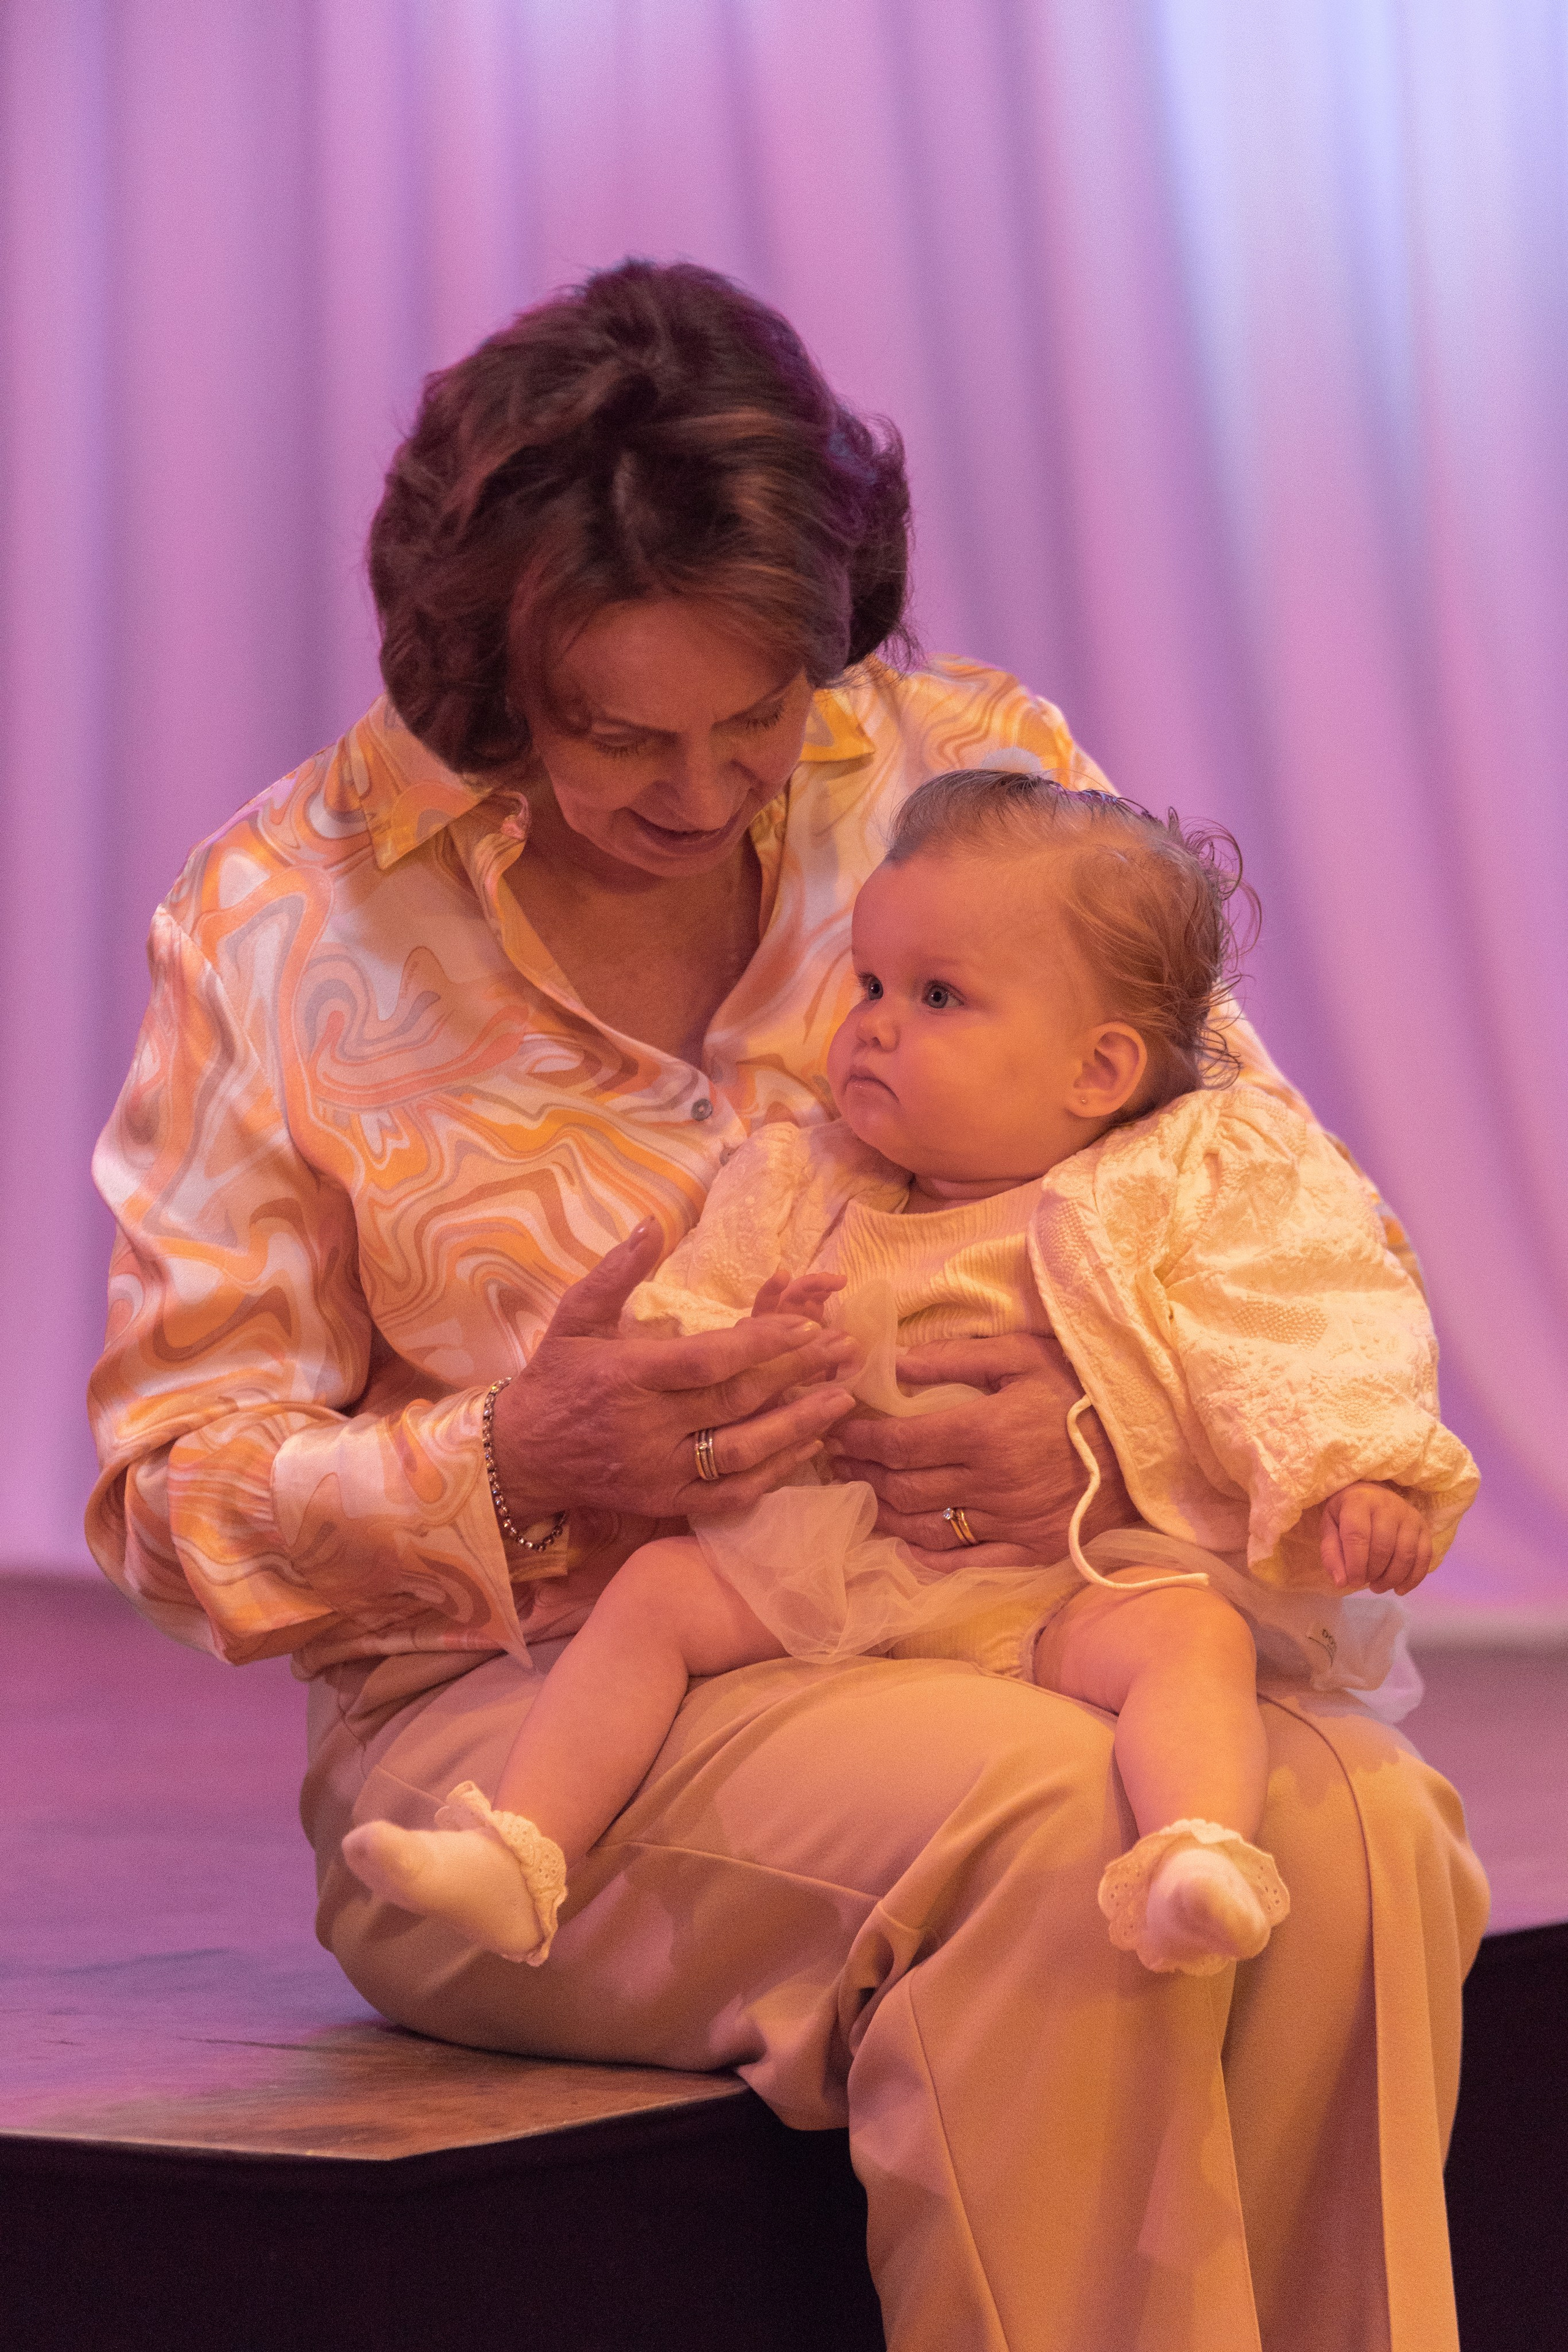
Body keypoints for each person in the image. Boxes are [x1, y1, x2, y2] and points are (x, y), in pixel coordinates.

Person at [87, 260, 1488, 2352]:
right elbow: (164, 1495)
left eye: (764, 718)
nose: (710, 791)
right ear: (486, 680)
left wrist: (1100, 1427)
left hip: (1009, 1612)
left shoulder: (969, 770)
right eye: (618, 734)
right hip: (535, 1720)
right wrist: (518, 1457)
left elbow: (1269, 1202)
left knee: (1362, 1820)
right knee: (1038, 1831)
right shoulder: (283, 918)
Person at [340, 772, 1477, 1981]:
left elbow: (1301, 1315)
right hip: (841, 1559)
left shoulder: (1177, 1185)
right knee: (661, 1594)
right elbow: (694, 1318)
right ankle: (521, 1853)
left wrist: (1358, 1468)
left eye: (937, 997)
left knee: (1194, 1640)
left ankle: (1193, 1855)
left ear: (1095, 1071)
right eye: (870, 985)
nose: (874, 1023)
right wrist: (721, 1357)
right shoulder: (803, 1181)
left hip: (1064, 1581)